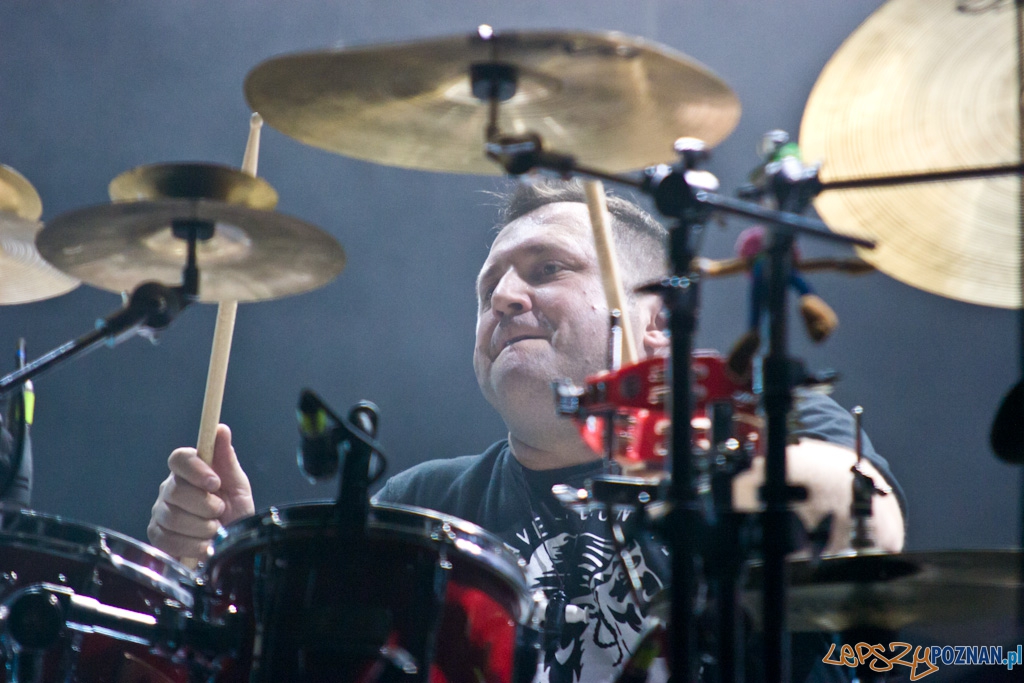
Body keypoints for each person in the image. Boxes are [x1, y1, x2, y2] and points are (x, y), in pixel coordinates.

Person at [147, 180, 906, 683]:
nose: (506, 297)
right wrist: (239, 579)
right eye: (490, 287)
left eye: (547, 269)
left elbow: (864, 521)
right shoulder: (425, 505)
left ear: (655, 319)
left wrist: (675, 442)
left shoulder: (771, 422)